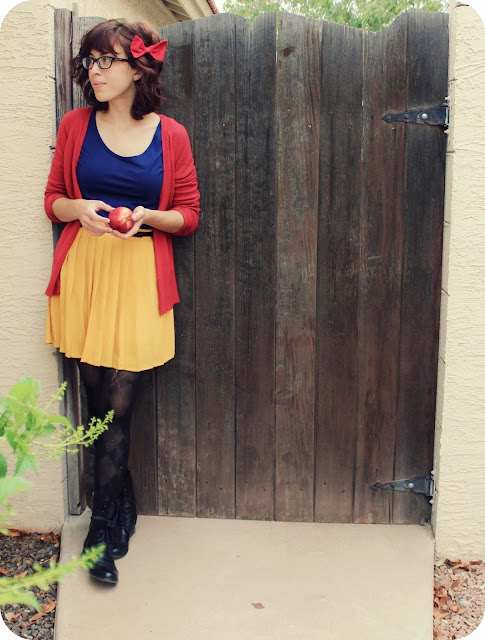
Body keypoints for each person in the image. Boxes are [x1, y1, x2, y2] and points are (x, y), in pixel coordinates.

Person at [43, 19, 200, 585]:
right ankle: (119, 502)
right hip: (84, 271)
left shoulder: (171, 135)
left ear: (138, 69)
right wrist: (77, 209)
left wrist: (148, 217)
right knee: (96, 406)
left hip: (137, 277)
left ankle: (101, 532)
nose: (97, 71)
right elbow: (52, 199)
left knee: (117, 408)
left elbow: (189, 215)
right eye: (90, 61)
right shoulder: (75, 126)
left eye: (108, 60)